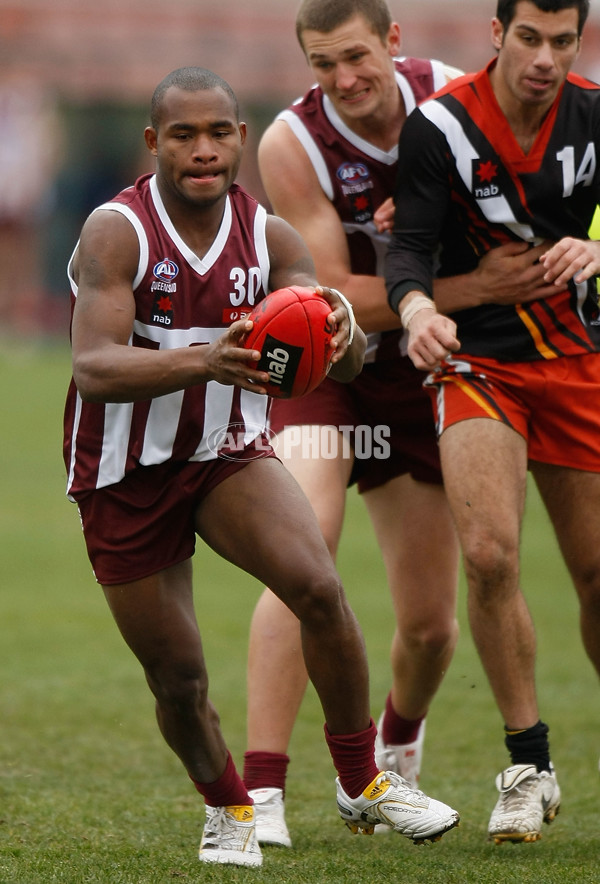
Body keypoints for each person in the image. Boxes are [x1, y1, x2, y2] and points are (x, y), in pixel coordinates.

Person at [62, 66, 460, 869]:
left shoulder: (273, 237)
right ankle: (231, 807)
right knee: (179, 678)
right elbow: (94, 366)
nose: (203, 151)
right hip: (123, 471)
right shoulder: (118, 231)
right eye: (183, 135)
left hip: (226, 455)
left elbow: (331, 364)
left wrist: (341, 332)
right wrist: (206, 360)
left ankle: (362, 780)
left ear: (241, 139)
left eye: (218, 133)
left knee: (317, 586)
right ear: (155, 143)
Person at [243, 0, 556, 849]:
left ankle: (399, 744)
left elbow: (512, 240)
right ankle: (260, 793)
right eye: (321, 64)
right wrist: (470, 286)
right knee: (299, 557)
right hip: (332, 371)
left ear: (393, 41)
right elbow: (337, 297)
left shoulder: (456, 105)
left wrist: (453, 266)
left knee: (429, 624)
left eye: (356, 57)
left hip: (428, 375)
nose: (343, 80)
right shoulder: (292, 143)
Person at [385, 0, 600, 845]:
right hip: (477, 360)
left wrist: (596, 247)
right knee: (488, 555)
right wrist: (413, 311)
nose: (545, 57)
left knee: (594, 573)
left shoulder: (593, 115)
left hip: (577, 360)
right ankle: (527, 766)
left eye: (563, 40)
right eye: (530, 38)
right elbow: (410, 248)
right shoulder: (439, 127)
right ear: (497, 33)